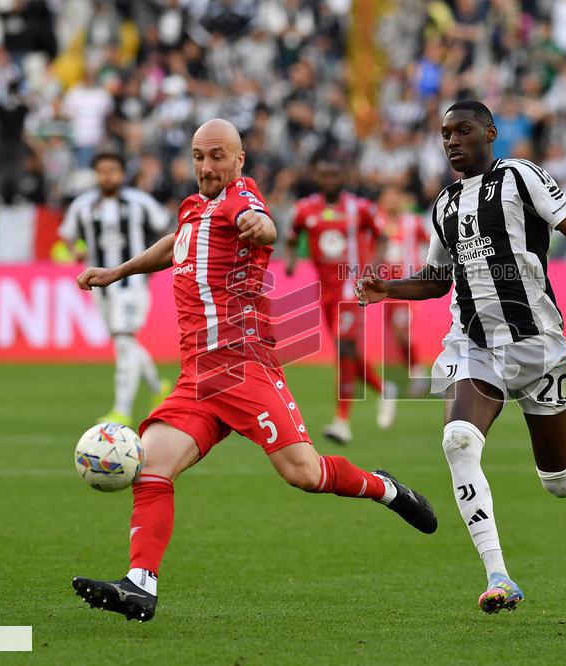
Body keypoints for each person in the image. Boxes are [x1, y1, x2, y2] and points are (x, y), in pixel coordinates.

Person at [71, 120, 437, 622]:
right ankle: (140, 584)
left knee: (305, 475)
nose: (207, 166)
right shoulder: (194, 208)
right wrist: (118, 272)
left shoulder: (242, 196)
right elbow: (174, 242)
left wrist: (261, 227)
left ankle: (388, 488)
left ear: (239, 160)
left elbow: (263, 222)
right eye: (200, 156)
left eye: (218, 156)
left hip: (244, 368)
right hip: (198, 377)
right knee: (151, 468)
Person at [356, 101, 566, 614]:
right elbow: (438, 278)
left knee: (559, 481)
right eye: (445, 134)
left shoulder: (520, 176)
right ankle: (499, 576)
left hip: (539, 345)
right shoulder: (443, 204)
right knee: (458, 439)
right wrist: (389, 288)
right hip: (475, 345)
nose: (451, 141)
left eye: (462, 131)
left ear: (490, 132)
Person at [284, 157, 398, 444]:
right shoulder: (305, 209)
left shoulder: (360, 208)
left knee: (345, 348)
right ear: (317, 177)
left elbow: (382, 236)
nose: (330, 180)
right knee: (347, 352)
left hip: (352, 287)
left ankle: (342, 421)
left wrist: (373, 265)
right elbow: (290, 236)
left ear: (343, 177)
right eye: (325, 175)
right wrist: (290, 261)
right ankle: (384, 389)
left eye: (335, 175)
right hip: (326, 292)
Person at [58, 152, 173, 426]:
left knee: (123, 340)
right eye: (101, 171)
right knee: (126, 341)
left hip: (132, 281)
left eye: (112, 170)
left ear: (122, 174)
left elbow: (165, 227)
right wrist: (76, 251)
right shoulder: (84, 205)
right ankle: (159, 389)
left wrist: (151, 260)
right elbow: (67, 233)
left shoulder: (138, 202)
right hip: (100, 285)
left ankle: (121, 411)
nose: (107, 176)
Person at [376, 185, 431, 397]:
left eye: (394, 197)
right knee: (396, 333)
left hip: (408, 285)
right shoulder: (377, 222)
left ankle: (417, 374)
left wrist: (429, 265)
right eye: (386, 197)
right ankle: (413, 371)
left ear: (400, 200)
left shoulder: (412, 222)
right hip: (385, 289)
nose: (390, 202)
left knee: (401, 330)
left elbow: (430, 242)